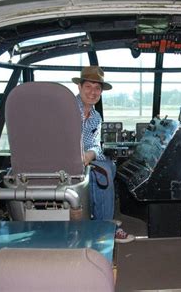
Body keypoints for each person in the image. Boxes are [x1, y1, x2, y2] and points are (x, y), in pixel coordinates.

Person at [73, 66, 134, 243]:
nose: (93, 92)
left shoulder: (96, 117)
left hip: (85, 161)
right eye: (88, 87)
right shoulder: (67, 109)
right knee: (105, 172)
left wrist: (90, 155)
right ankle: (106, 227)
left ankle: (100, 219)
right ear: (80, 87)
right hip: (64, 163)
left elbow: (94, 145)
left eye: (97, 88)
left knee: (110, 165)